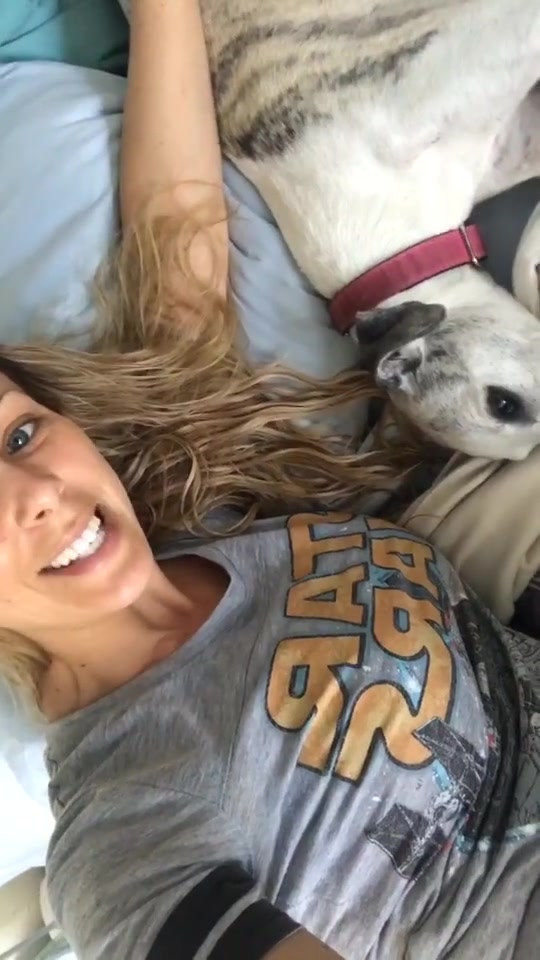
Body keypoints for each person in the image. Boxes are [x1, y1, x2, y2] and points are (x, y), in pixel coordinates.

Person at [0, 1, 537, 958]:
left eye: (20, 434)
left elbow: (176, 247)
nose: (37, 489)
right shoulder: (126, 834)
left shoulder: (199, 502)